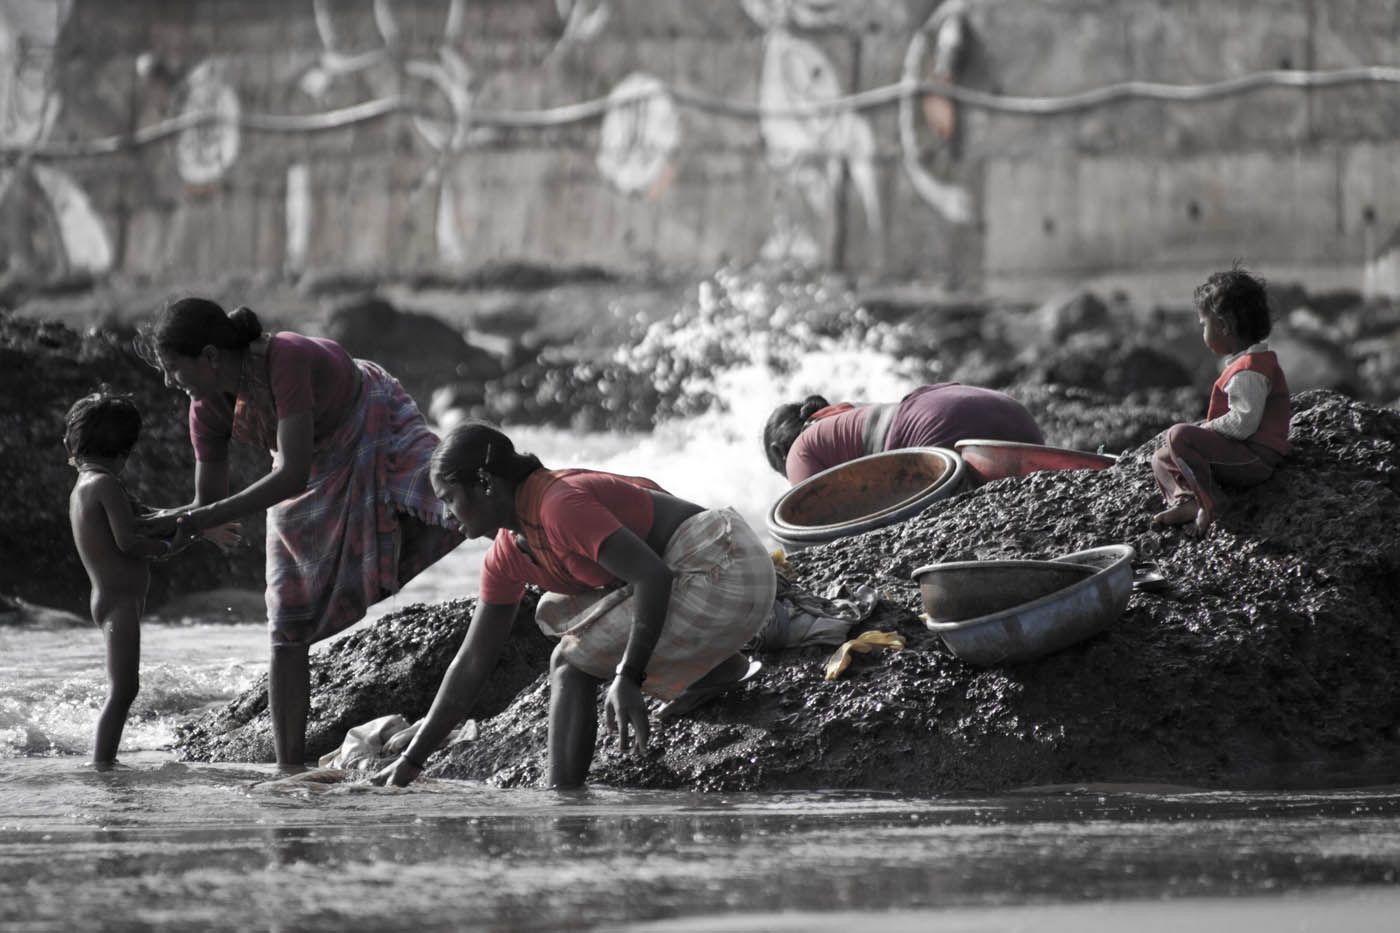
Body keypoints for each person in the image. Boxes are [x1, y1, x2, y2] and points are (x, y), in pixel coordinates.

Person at [136, 297, 464, 770]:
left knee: (455, 499)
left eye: (173, 368)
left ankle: (552, 554)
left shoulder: (284, 358)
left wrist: (198, 519)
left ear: (210, 357)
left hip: (372, 418)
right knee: (286, 622)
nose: (168, 381)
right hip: (314, 464)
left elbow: (288, 476)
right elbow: (206, 506)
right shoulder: (205, 409)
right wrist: (166, 529)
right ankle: (288, 769)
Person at [371, 421, 776, 790]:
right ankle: (718, 667)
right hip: (715, 586)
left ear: (485, 483)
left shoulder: (556, 504)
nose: (446, 514)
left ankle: (563, 801)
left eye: (450, 498)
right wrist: (410, 762)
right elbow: (472, 661)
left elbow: (653, 576)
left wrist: (629, 676)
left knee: (569, 662)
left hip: (726, 565)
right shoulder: (508, 552)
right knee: (553, 612)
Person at [65, 391, 231, 766]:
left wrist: (196, 520)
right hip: (117, 604)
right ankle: (102, 762)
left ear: (72, 442)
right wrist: (178, 543)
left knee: (124, 687)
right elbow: (129, 540)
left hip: (117, 600)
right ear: (125, 450)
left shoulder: (94, 482)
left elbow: (146, 518)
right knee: (124, 689)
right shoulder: (104, 485)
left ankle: (104, 759)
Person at [1150, 265, 1290, 536]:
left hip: (1255, 458)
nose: (1203, 332)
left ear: (1224, 326)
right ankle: (1186, 500)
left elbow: (1243, 424)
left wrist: (1203, 430)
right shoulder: (1245, 362)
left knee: (1179, 436)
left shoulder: (1250, 369)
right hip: (1239, 452)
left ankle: (1211, 501)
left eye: (1204, 324)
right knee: (1160, 458)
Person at [764, 382, 1044, 483]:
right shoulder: (850, 412)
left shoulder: (801, 450)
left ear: (779, 451)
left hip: (942, 429)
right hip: (1015, 415)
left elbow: (811, 531)